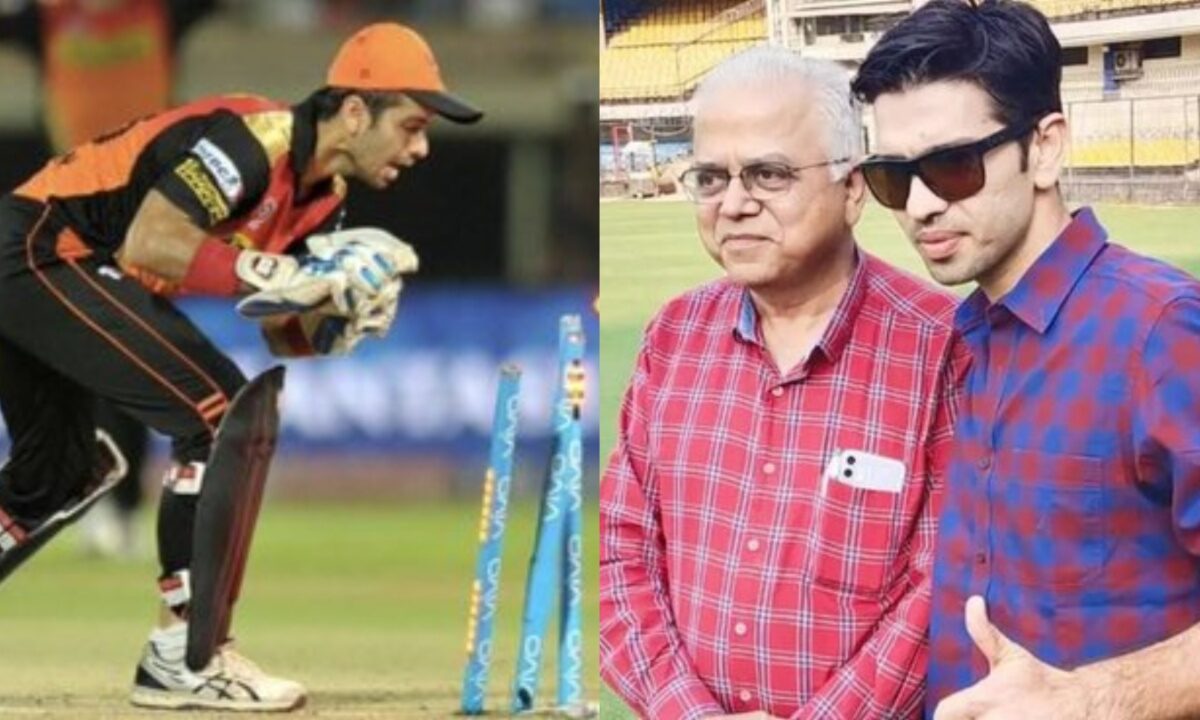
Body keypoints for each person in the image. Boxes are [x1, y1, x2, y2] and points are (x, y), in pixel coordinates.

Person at [0, 21, 481, 712]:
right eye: (410, 125)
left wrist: (342, 317)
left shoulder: (324, 199)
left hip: (50, 263)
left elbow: (285, 333)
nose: (421, 147)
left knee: (60, 473)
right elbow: (154, 239)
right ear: (353, 112)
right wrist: (286, 270)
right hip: (41, 247)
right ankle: (186, 657)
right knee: (219, 412)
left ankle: (186, 654)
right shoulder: (253, 140)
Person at [852, 2, 1200, 718]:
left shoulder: (1159, 332)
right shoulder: (964, 337)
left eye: (951, 165)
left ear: (1044, 148)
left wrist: (1092, 699)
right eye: (893, 176)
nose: (918, 205)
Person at [599, 47, 966, 720]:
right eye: (710, 178)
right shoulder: (674, 338)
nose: (734, 204)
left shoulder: (944, 347)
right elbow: (618, 553)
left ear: (851, 188)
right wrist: (689, 713)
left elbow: (944, 584)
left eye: (767, 174)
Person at [0, 0, 220, 558]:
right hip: (65, 211)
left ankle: (122, 510)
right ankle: (82, 499)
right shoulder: (47, 19)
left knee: (134, 360)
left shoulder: (159, 12)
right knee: (72, 362)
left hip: (148, 212)